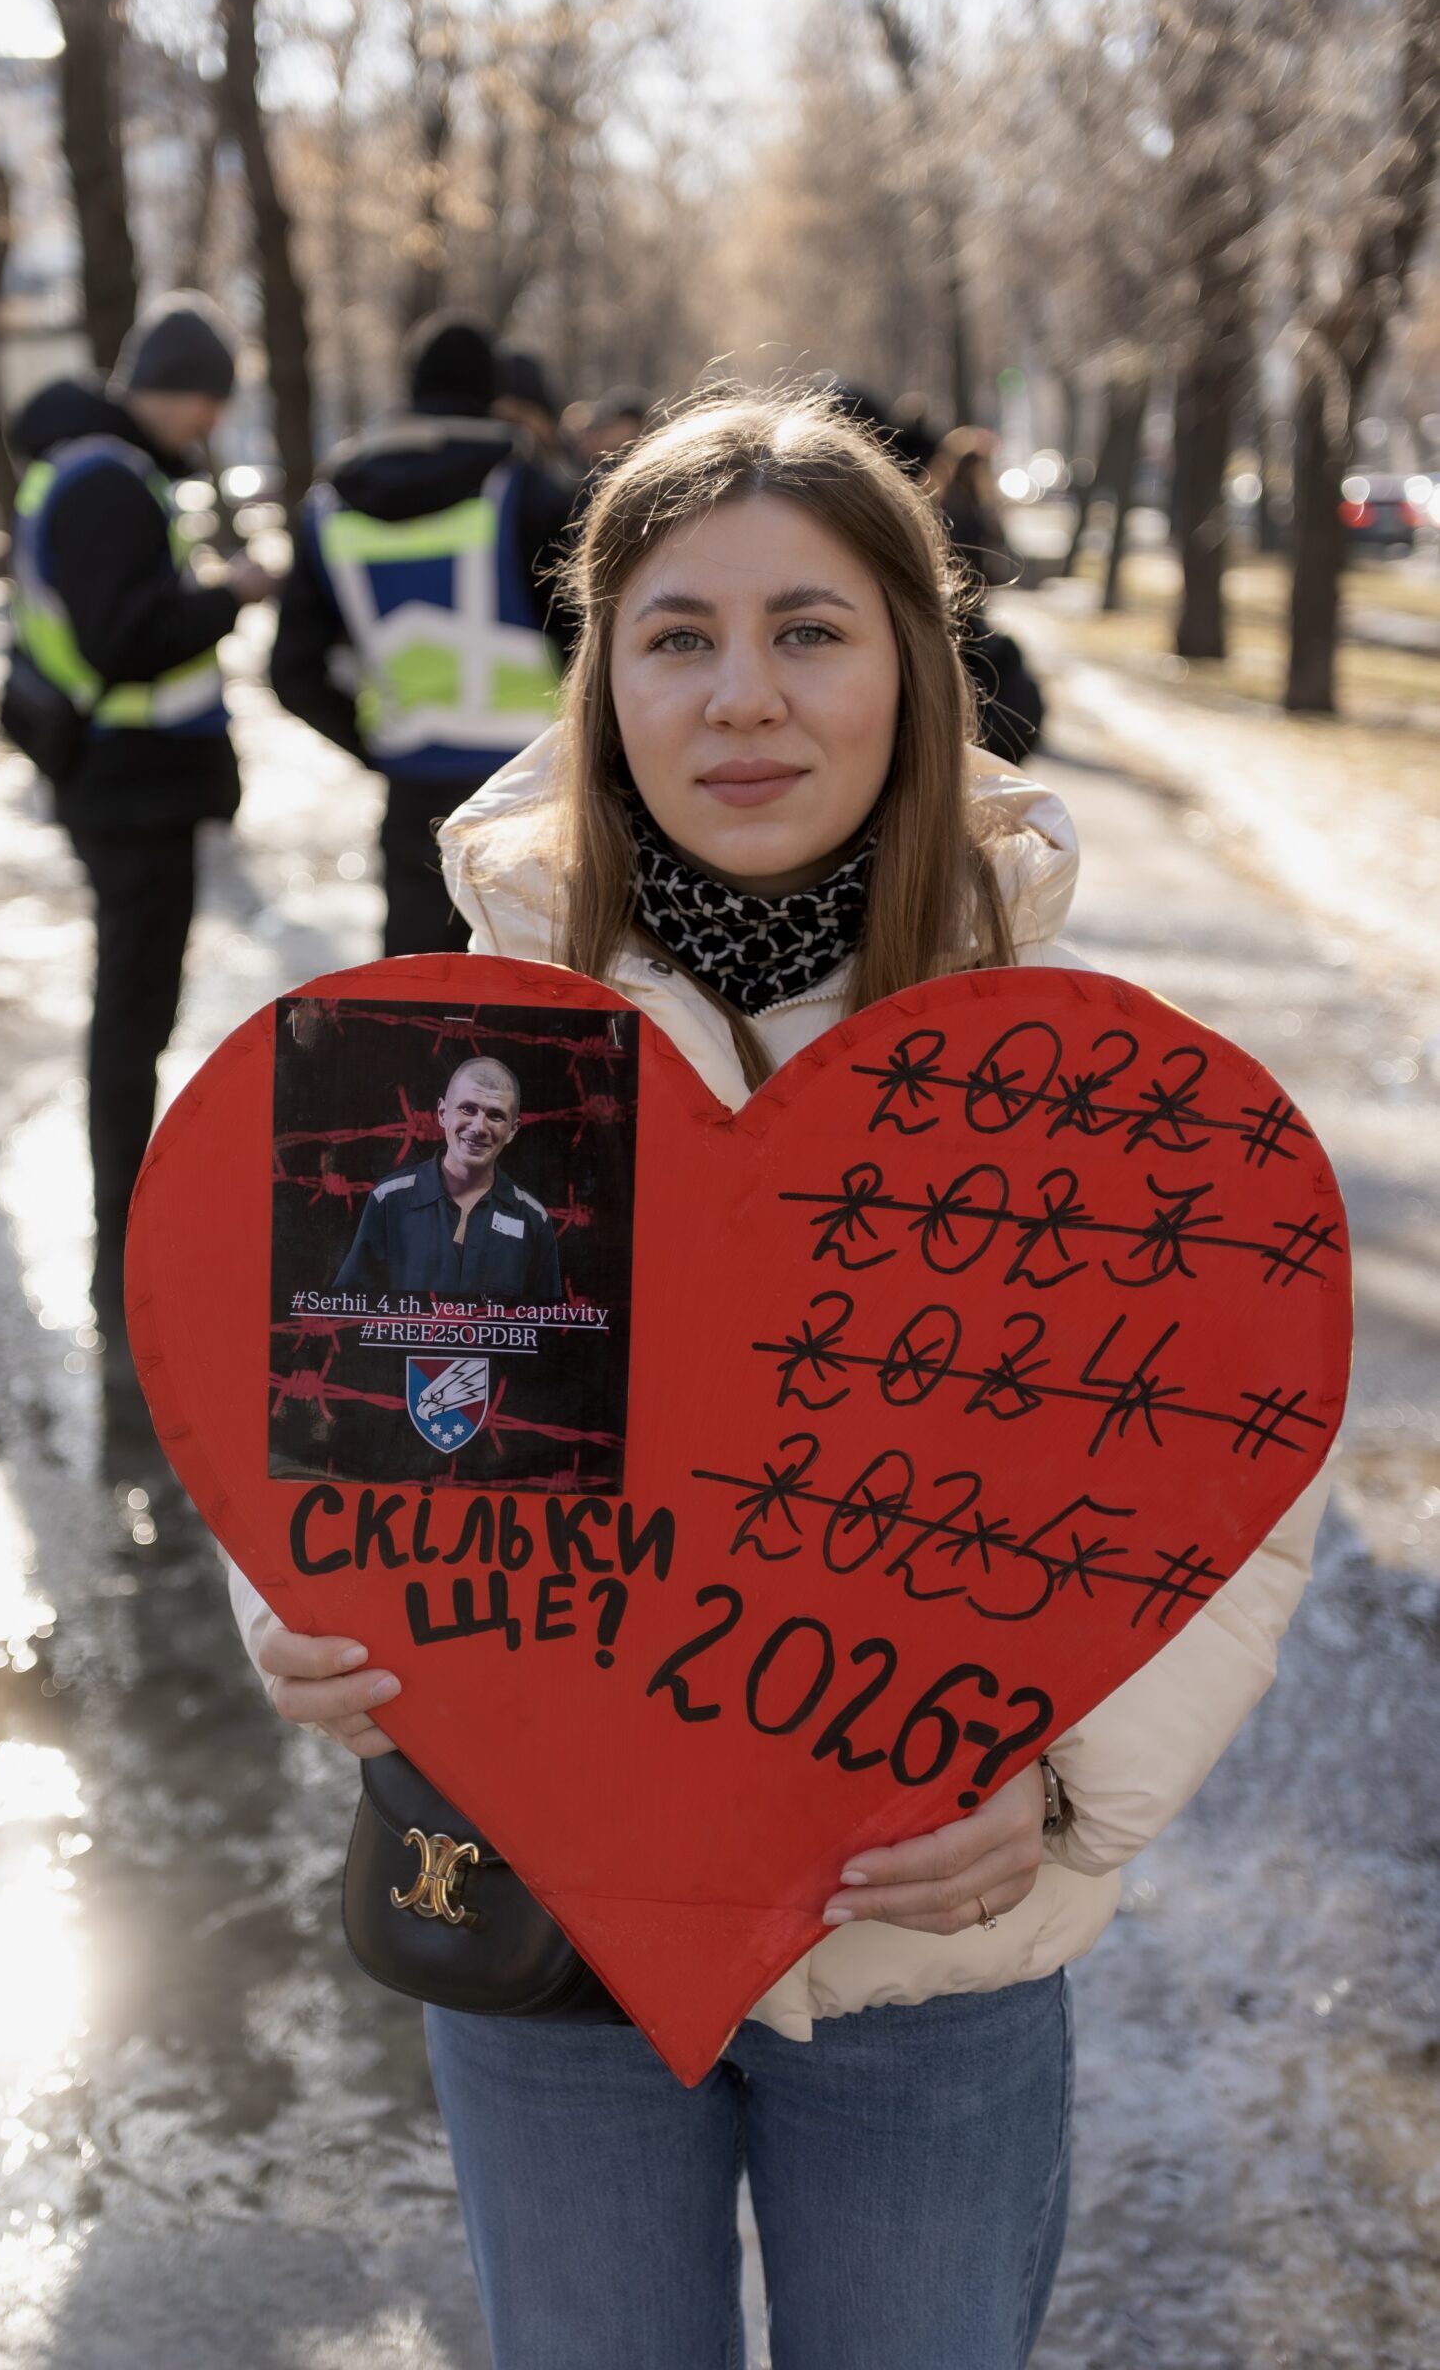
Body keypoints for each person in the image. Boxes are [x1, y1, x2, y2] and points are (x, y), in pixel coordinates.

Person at [226, 393, 1326, 2368]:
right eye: (678, 634)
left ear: (913, 661)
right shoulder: (474, 1043)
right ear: (602, 679)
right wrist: (296, 1617)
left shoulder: (1074, 1080)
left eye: (808, 630)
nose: (745, 696)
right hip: (542, 1919)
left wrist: (1070, 1783)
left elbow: (1230, 1474)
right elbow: (341, 1405)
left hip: (931, 1944)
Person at [6, 292, 275, 1451]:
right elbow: (128, 635)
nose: (214, 419)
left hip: (118, 784)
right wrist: (231, 593)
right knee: (131, 1017)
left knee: (134, 1011)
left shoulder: (85, 467)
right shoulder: (113, 478)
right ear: (182, 385)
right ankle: (124, 1228)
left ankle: (127, 1210)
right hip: (131, 790)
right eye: (210, 394)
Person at [271, 311, 577, 955]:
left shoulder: (330, 504)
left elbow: (291, 672)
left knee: (418, 1002)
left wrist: (378, 745)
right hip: (536, 788)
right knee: (547, 1002)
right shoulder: (528, 490)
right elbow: (594, 646)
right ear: (494, 394)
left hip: (414, 798)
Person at [333, 1056, 562, 1302]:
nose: (478, 1127)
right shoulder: (389, 1200)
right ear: (442, 1114)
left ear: (513, 1130)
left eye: (495, 1115)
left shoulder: (533, 1218)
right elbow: (349, 1309)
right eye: (468, 1109)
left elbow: (544, 1324)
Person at [927, 426, 1046, 764]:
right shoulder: (968, 507)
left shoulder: (940, 500)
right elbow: (991, 555)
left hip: (954, 601)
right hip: (963, 603)